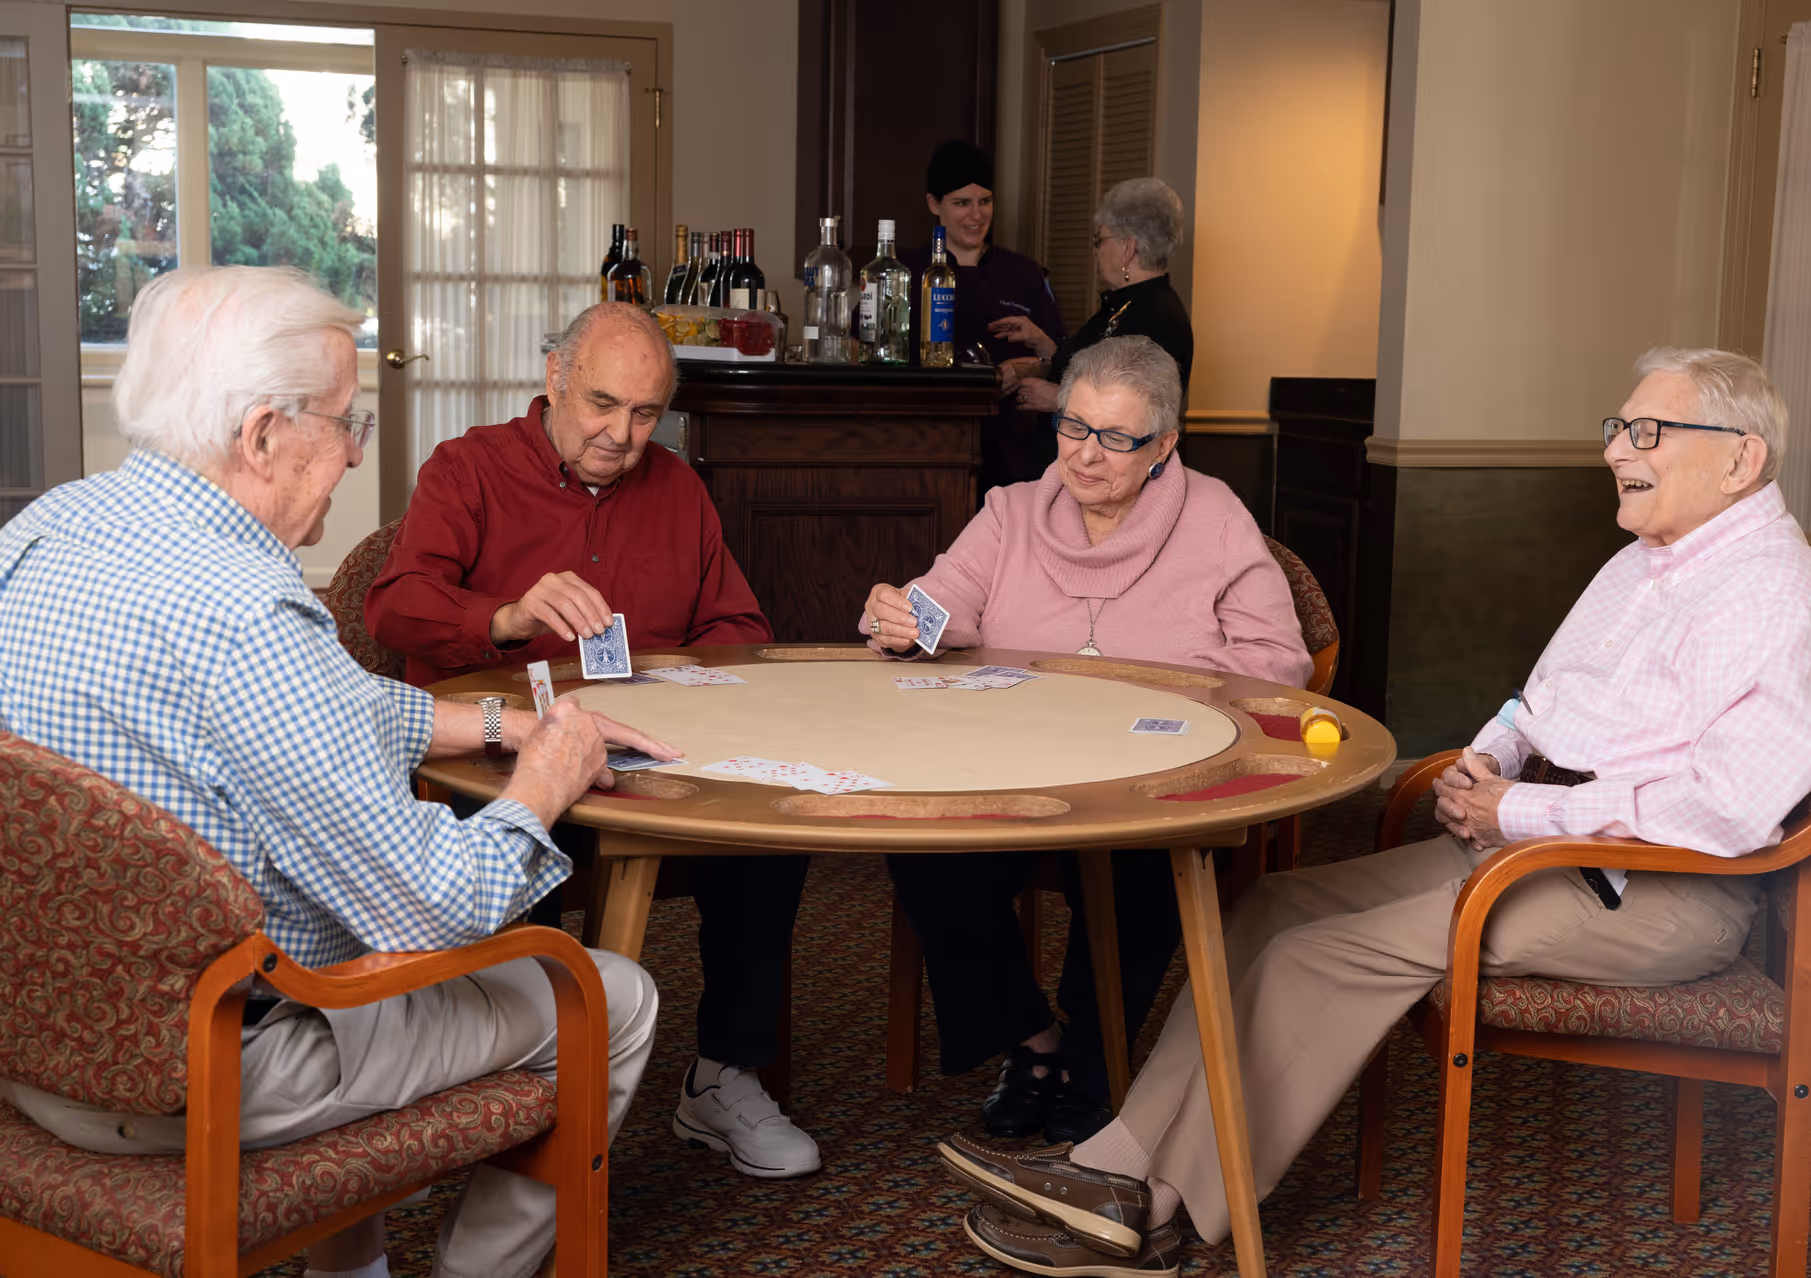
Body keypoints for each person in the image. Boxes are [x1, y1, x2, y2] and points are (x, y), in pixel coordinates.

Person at [936, 347, 1811, 1277]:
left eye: (1647, 431)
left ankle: (1158, 1217)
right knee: (1269, 910)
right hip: (1547, 848)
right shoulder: (1641, 563)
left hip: (1651, 891)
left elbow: (1734, 810)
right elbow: (1538, 702)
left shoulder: (1779, 594)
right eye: (1617, 427)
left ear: (1741, 460)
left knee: (1313, 955)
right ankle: (1120, 1169)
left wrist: (1521, 808)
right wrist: (1482, 763)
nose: (1618, 448)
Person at [0, 265, 676, 1278]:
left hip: (32, 1041)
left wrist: (494, 725)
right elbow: (436, 908)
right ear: (263, 432)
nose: (357, 453)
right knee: (613, 995)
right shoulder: (249, 612)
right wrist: (547, 778)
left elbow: (301, 715)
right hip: (208, 1069)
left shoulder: (46, 527)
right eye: (347, 422)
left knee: (315, 909)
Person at [364, 303, 820, 1180]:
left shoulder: (678, 487)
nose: (622, 435)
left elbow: (736, 621)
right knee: (512, 853)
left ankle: (723, 1075)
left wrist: (701, 680)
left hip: (648, 751)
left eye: (646, 415)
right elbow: (394, 606)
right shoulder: (468, 470)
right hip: (498, 758)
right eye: (603, 405)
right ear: (555, 381)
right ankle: (509, 1094)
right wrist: (504, 616)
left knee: (775, 833)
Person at [860, 337, 1312, 1148]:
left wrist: (1175, 687)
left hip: (1150, 780)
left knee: (1142, 863)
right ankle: (1031, 1041)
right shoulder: (1012, 512)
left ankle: (1094, 1067)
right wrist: (902, 615)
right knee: (918, 839)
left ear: (1164, 446)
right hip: (1010, 773)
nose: (1085, 456)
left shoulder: (1214, 520)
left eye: (1116, 438)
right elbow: (942, 602)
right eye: (1073, 427)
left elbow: (1278, 665)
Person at [901, 139, 1068, 493]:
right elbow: (862, 349)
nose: (976, 216)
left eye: (985, 201)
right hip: (928, 450)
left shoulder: (1025, 273)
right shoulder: (905, 273)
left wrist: (1026, 366)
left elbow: (1061, 356)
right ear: (934, 204)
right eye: (962, 203)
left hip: (1018, 459)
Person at [992, 176, 1194, 419]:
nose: (1095, 251)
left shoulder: (1157, 316)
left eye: (1100, 240)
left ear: (1128, 248)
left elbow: (1137, 407)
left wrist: (1059, 399)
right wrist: (1043, 343)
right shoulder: (1123, 304)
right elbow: (1089, 369)